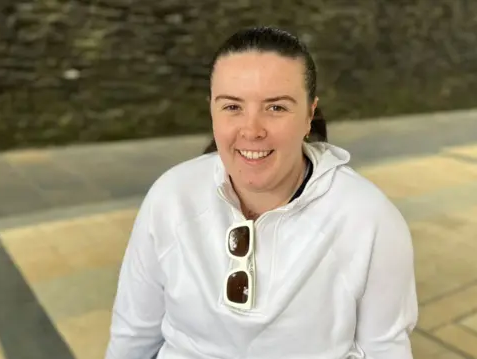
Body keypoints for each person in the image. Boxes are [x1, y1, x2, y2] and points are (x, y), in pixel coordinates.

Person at [105, 26, 418, 359]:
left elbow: (385, 349)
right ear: (211, 109)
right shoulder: (171, 198)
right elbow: (133, 336)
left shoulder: (369, 220)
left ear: (309, 114)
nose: (252, 131)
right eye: (232, 107)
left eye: (276, 108)